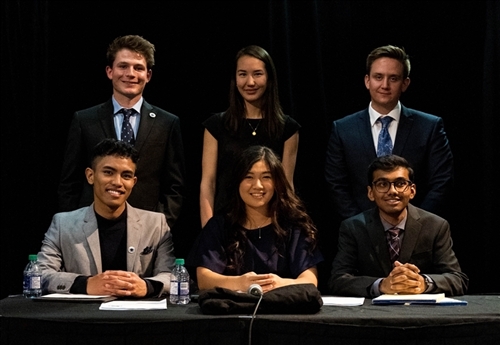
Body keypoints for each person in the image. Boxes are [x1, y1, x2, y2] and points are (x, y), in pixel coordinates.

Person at [57, 35, 185, 228]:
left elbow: (174, 187)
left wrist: (160, 225)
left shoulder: (167, 123)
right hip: (89, 228)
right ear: (110, 71)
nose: (130, 74)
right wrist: (72, 226)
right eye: (123, 66)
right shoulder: (85, 120)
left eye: (138, 68)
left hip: (145, 228)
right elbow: (69, 183)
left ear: (148, 75)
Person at [325, 45, 453, 221]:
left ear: (405, 83)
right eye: (378, 77)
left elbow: (441, 181)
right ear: (367, 81)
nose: (385, 85)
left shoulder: (429, 127)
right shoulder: (343, 129)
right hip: (361, 235)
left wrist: (414, 224)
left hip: (417, 233)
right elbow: (336, 185)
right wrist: (361, 227)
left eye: (393, 78)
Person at [38, 139, 176, 297]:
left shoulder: (156, 224)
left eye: (126, 175)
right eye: (108, 172)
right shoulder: (63, 224)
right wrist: (85, 284)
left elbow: (172, 275)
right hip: (83, 317)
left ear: (133, 182)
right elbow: (39, 274)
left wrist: (147, 286)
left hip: (137, 317)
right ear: (90, 176)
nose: (117, 182)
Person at [328, 155, 468, 298]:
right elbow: (338, 280)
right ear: (370, 193)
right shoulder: (353, 228)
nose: (393, 191)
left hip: (421, 314)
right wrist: (381, 285)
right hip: (373, 314)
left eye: (400, 184)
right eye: (383, 184)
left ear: (412, 190)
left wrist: (423, 283)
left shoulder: (436, 226)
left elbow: (457, 279)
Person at [191, 146, 322, 293]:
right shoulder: (219, 225)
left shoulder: (294, 225)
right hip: (233, 311)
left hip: (283, 310)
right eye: (249, 177)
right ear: (237, 181)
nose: (258, 185)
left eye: (266, 177)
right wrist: (240, 283)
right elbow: (204, 279)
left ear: (277, 183)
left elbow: (310, 281)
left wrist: (278, 283)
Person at [200, 45, 300, 227]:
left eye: (257, 74)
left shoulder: (287, 128)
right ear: (235, 79)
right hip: (225, 224)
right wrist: (209, 230)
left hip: (270, 226)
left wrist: (284, 229)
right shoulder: (216, 125)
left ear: (269, 78)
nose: (250, 82)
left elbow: (286, 186)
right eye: (243, 74)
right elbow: (208, 183)